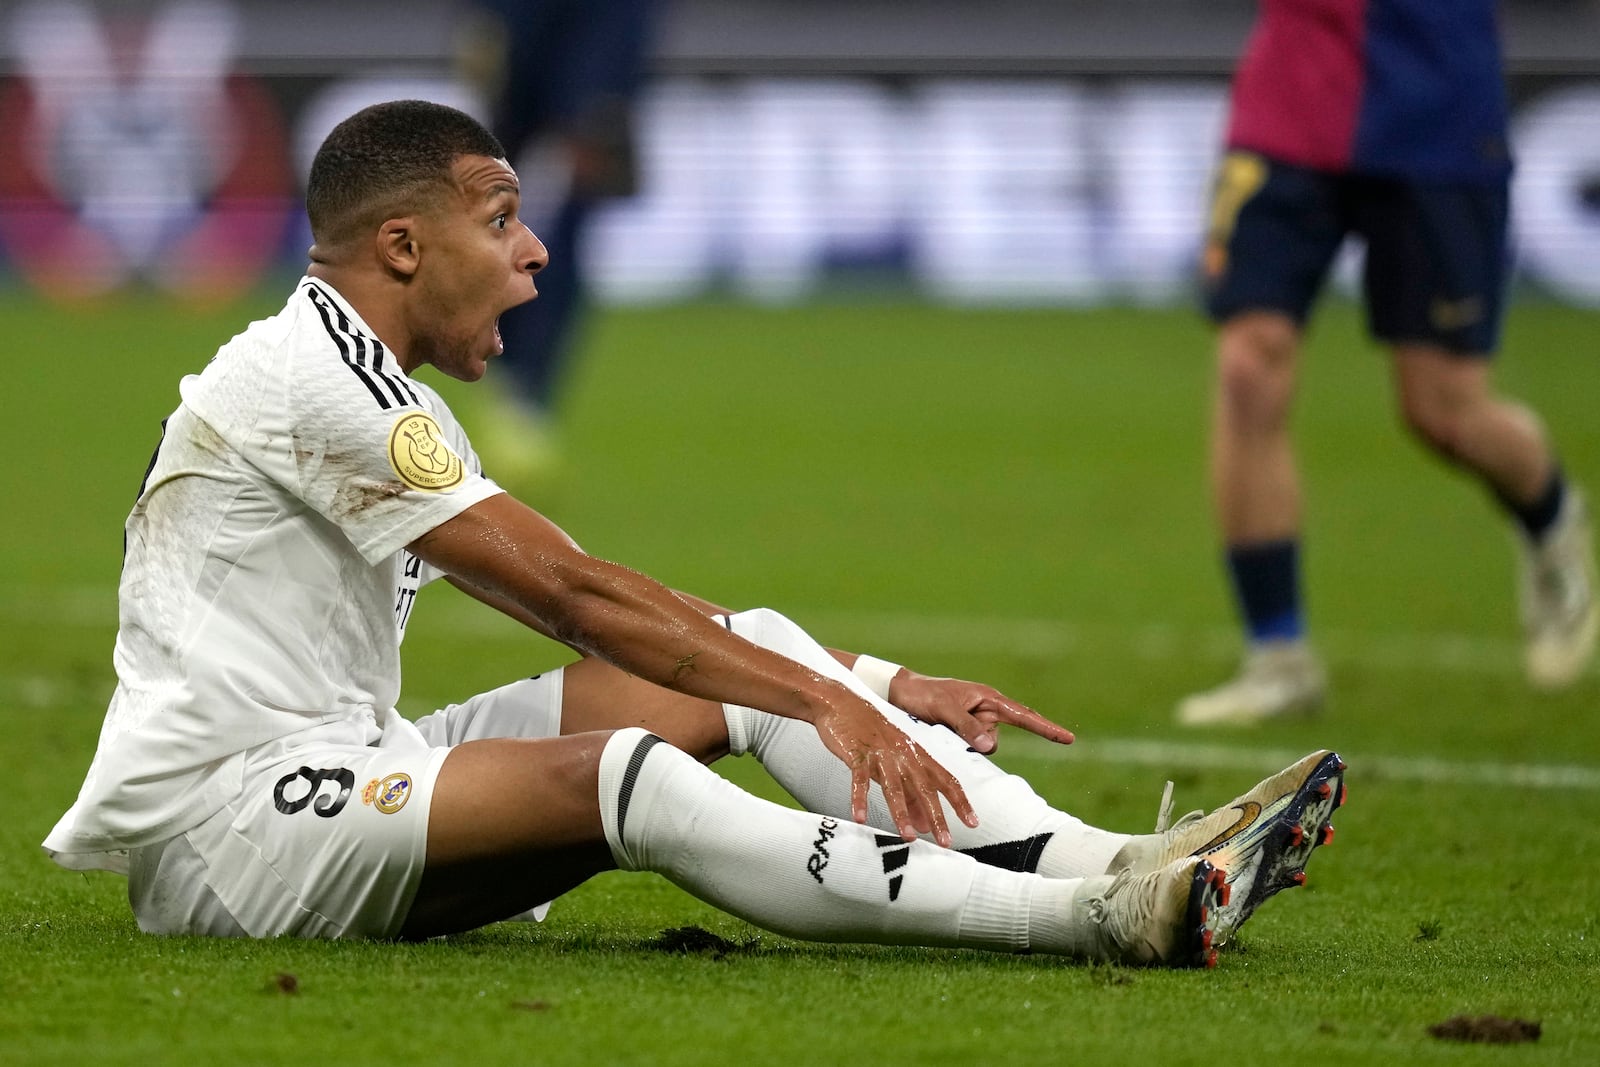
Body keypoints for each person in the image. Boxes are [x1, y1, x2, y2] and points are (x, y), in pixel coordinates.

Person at [43, 100, 1346, 967]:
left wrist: (867, 683)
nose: (536, 250)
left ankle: (1131, 858)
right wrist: (829, 704)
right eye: (500, 220)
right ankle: (1088, 919)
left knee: (750, 650)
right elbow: (570, 592)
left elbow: (619, 609)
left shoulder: (355, 375)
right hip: (235, 829)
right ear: (401, 244)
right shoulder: (312, 383)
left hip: (348, 758)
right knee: (634, 773)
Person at [1179, 0, 1598, 726]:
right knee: (1250, 364)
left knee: (1444, 411)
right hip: (1290, 100)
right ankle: (1277, 656)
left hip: (1436, 111)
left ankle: (1552, 517)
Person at [456, 0, 659, 480]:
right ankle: (491, 350)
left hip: (604, 19)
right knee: (490, 182)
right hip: (522, 18)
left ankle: (526, 385)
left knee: (589, 169)